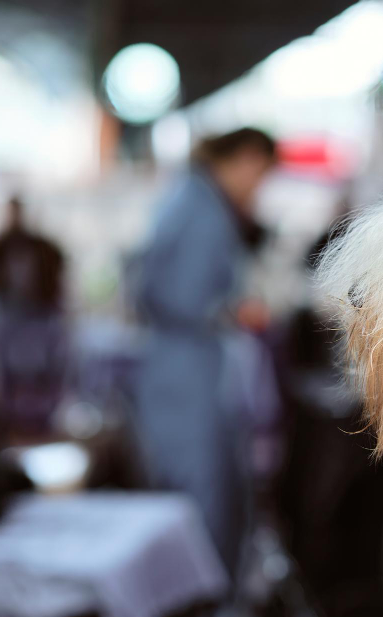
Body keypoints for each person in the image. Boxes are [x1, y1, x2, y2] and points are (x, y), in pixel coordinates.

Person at [132, 128, 276, 573]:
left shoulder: (192, 198)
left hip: (177, 371)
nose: (259, 187)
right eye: (261, 174)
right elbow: (182, 296)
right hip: (186, 377)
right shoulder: (204, 210)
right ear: (247, 158)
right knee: (201, 507)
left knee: (195, 501)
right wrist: (234, 310)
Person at [0, 197, 68, 436]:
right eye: (14, 265)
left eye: (26, 264)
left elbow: (64, 376)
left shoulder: (53, 323)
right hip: (4, 425)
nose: (20, 274)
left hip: (46, 424)